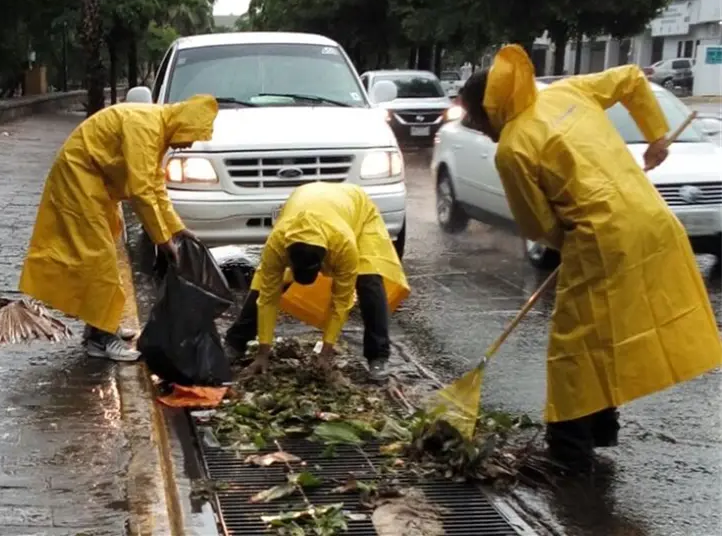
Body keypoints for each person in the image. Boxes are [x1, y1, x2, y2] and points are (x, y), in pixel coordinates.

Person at [457, 44, 722, 474]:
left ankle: (569, 452)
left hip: (603, 237)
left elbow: (538, 224)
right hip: (655, 221)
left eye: (476, 116)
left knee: (574, 345)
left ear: (492, 109)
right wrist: (656, 134)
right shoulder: (568, 92)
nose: (475, 126)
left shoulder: (512, 148)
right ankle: (600, 429)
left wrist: (576, 243)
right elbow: (633, 78)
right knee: (607, 331)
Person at [19, 95, 219, 362]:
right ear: (183, 125)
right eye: (192, 136)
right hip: (79, 178)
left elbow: (154, 184)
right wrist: (162, 240)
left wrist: (177, 229)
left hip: (94, 183)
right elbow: (140, 191)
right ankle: (101, 339)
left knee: (102, 257)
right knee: (99, 259)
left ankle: (101, 325)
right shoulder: (146, 127)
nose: (189, 143)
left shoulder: (158, 129)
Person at [226, 182, 410, 382]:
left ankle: (378, 356)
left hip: (357, 208)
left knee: (369, 279)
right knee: (265, 284)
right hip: (306, 199)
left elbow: (341, 301)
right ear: (289, 261)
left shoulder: (343, 245)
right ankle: (236, 342)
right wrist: (263, 353)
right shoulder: (278, 243)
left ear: (325, 261)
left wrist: (326, 351)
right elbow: (267, 298)